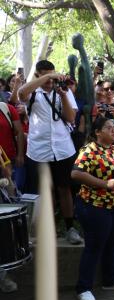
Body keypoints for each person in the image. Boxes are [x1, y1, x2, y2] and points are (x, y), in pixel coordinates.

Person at [17, 60, 83, 244]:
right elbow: (21, 93)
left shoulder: (64, 91)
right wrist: (48, 76)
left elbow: (71, 118)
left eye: (52, 74)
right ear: (38, 75)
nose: (50, 79)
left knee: (64, 188)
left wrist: (62, 96)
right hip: (39, 151)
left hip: (63, 149)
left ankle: (70, 228)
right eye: (45, 74)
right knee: (45, 192)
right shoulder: (33, 93)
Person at [71, 117, 114, 300]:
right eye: (108, 128)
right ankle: (83, 287)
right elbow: (76, 173)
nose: (113, 130)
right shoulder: (89, 151)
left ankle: (111, 280)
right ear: (98, 132)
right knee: (94, 246)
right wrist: (105, 184)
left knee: (113, 243)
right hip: (94, 206)